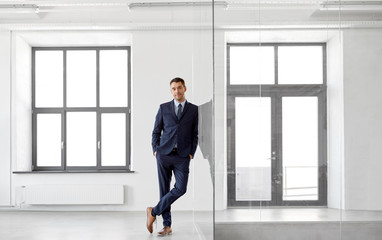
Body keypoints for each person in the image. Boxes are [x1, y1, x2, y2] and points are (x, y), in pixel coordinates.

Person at [146, 77, 199, 235]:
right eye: (174, 88)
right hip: (164, 154)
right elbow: (156, 131)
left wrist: (191, 153)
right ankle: (167, 225)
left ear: (185, 88)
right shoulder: (163, 108)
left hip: (182, 156)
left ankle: (153, 211)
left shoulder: (193, 110)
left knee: (180, 188)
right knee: (164, 189)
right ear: (171, 91)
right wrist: (156, 150)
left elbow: (195, 134)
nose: (177, 91)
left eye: (180, 88)